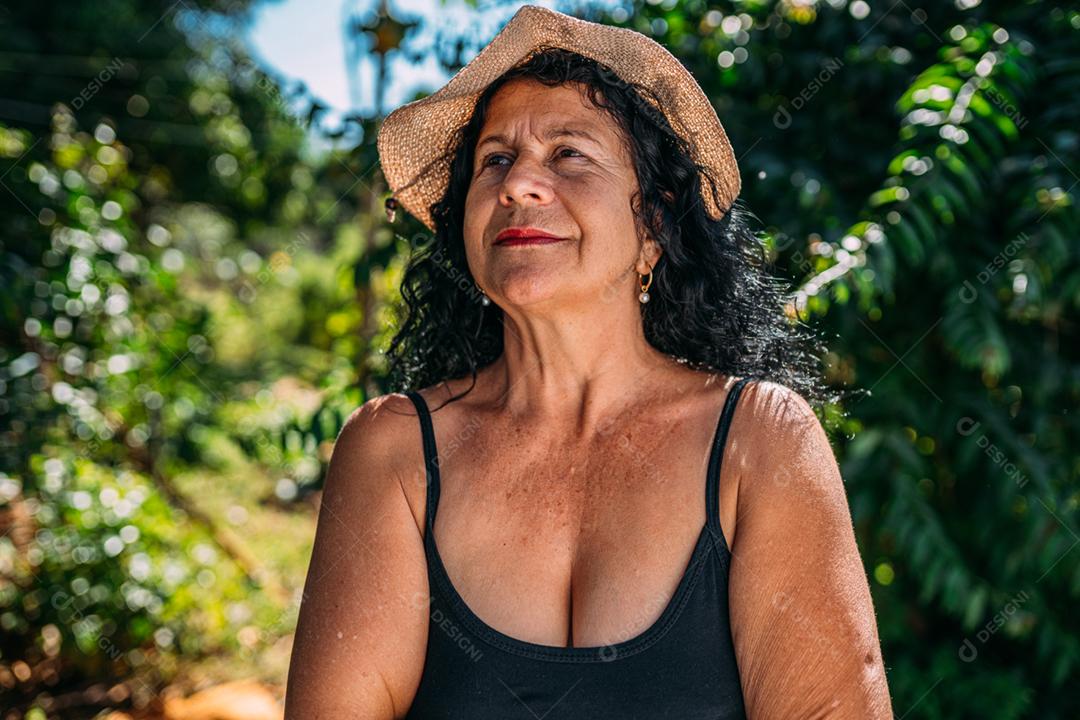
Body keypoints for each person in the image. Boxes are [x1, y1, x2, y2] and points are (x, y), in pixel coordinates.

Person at [285, 5, 893, 718]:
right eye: (495, 161)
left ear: (654, 225)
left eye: (569, 154)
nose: (518, 185)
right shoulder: (392, 452)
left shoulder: (758, 441)